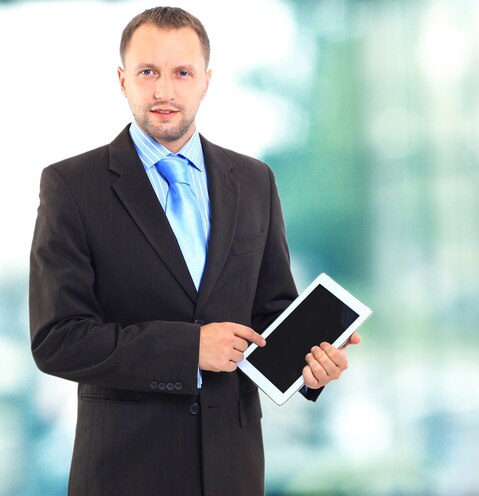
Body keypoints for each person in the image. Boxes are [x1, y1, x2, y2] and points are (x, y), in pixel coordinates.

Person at [29, 7, 360, 496]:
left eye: (182, 73)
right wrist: (189, 349)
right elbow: (58, 339)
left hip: (233, 470)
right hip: (124, 473)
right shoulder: (72, 186)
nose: (164, 91)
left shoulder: (254, 182)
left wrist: (312, 367)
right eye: (148, 72)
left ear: (206, 81)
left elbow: (269, 320)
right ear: (122, 80)